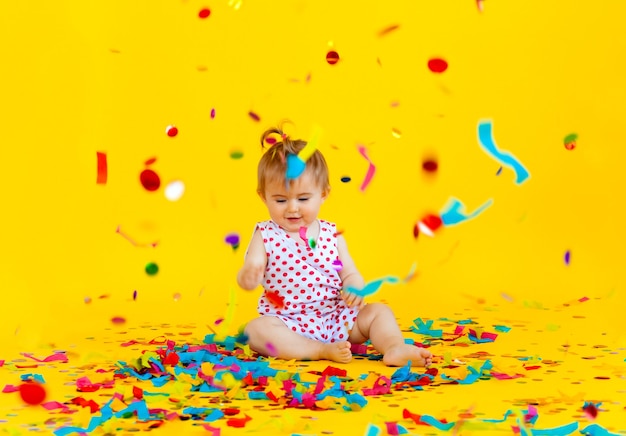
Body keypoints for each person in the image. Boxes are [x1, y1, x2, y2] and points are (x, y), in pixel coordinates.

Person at [237, 126, 432, 367]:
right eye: (280, 200)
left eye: (303, 198)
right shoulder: (265, 234)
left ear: (324, 193)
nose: (292, 208)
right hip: (287, 324)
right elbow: (251, 269)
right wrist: (249, 275)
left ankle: (394, 347)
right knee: (256, 330)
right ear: (263, 196)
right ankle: (318, 350)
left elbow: (350, 272)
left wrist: (354, 287)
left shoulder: (332, 234)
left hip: (336, 318)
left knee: (378, 312)